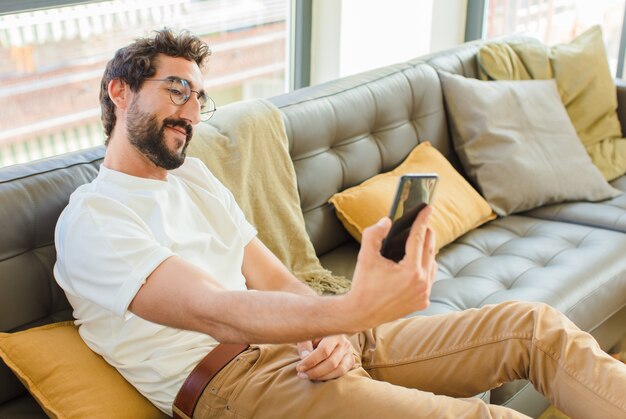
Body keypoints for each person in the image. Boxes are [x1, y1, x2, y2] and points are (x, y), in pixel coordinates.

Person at [54, 29, 626, 419]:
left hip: (306, 340)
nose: (189, 112)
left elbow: (274, 279)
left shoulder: (194, 180)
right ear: (120, 90)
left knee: (533, 328)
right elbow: (213, 309)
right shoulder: (94, 218)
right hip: (238, 382)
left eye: (199, 98)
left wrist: (329, 331)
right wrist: (349, 311)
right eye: (175, 90)